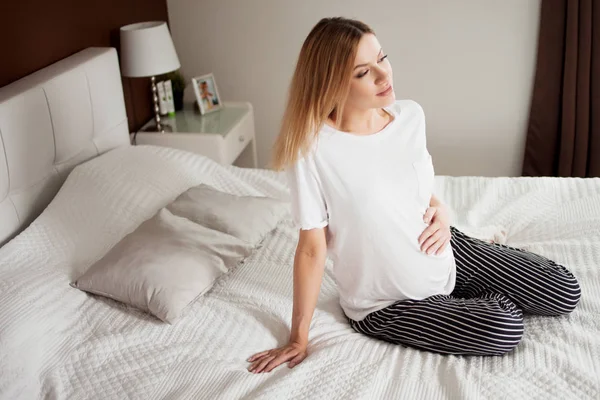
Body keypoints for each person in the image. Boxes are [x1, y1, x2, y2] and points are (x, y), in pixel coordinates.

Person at [246, 17, 581, 374]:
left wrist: (442, 212)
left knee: (564, 290)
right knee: (505, 326)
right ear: (331, 85)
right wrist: (298, 337)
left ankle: (479, 268)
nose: (383, 74)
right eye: (363, 72)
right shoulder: (311, 149)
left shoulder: (409, 116)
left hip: (446, 251)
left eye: (382, 57)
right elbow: (312, 247)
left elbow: (413, 189)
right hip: (388, 301)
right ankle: (466, 298)